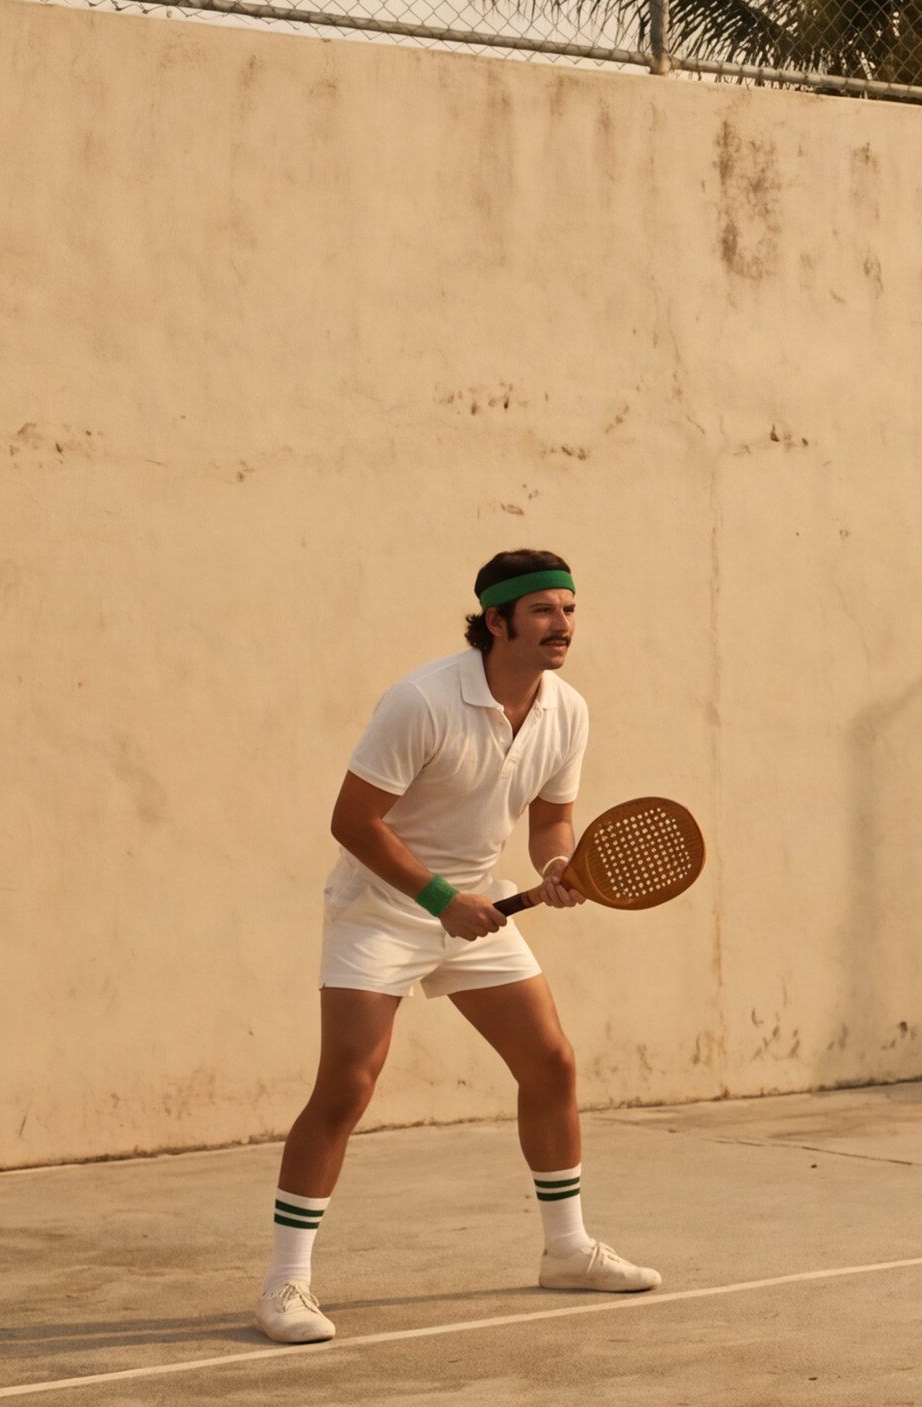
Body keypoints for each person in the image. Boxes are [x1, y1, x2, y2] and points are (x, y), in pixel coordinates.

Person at [257, 551, 660, 1345]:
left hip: (478, 906)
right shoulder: (422, 701)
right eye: (543, 610)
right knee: (347, 1084)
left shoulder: (566, 710)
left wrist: (552, 866)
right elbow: (353, 822)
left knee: (551, 1063)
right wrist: (439, 900)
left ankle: (567, 1250)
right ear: (497, 620)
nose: (563, 625)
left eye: (570, 609)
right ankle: (285, 1286)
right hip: (381, 910)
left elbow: (551, 818)